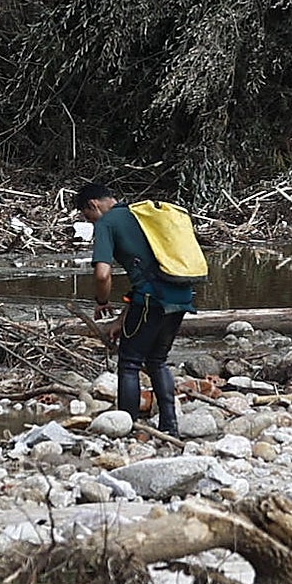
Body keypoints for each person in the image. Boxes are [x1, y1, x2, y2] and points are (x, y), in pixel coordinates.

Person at [75, 183, 195, 437]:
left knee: (129, 362)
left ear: (93, 205)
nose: (91, 221)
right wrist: (122, 319)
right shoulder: (141, 215)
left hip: (153, 299)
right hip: (181, 293)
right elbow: (147, 274)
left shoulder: (107, 223)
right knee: (157, 360)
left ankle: (126, 428)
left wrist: (101, 301)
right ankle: (169, 426)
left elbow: (102, 274)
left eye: (88, 216)